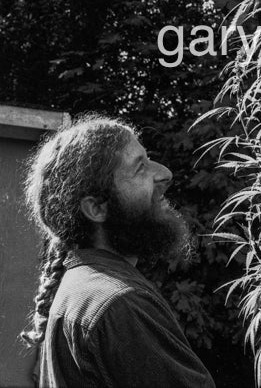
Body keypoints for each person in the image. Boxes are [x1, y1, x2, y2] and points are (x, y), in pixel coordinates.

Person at [21, 113, 216, 388]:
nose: (164, 174)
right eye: (140, 168)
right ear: (97, 209)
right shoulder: (121, 303)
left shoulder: (80, 287)